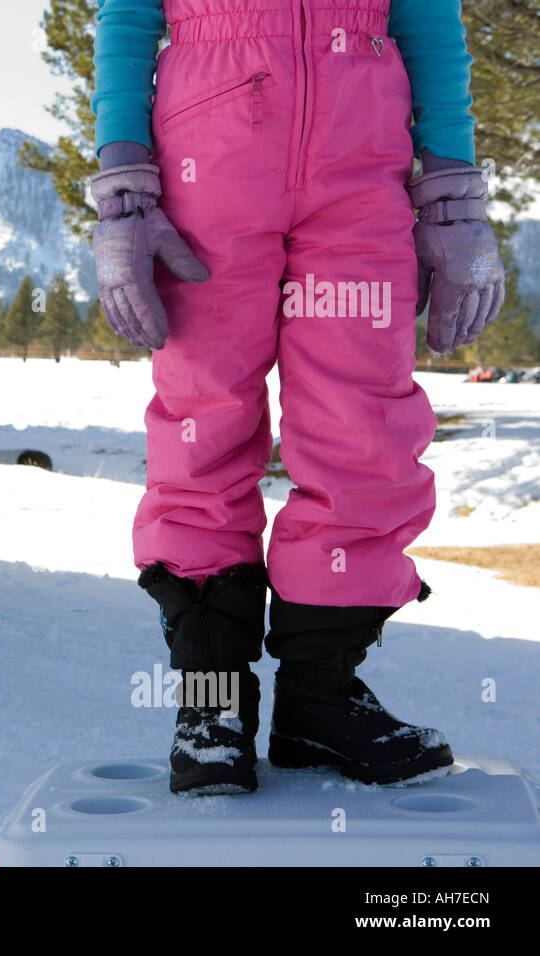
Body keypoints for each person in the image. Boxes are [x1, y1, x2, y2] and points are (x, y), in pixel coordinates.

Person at [91, 0, 505, 794]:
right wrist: (126, 191)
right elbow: (127, 16)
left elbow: (429, 19)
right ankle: (211, 706)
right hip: (207, 170)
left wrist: (451, 190)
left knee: (364, 430)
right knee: (202, 424)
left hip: (363, 178)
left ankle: (321, 697)